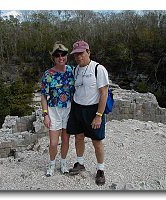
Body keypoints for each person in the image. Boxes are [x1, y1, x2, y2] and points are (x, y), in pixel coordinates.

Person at [67, 40, 109, 185]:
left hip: (93, 109)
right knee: (78, 137)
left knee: (96, 141)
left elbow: (104, 93)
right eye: (76, 54)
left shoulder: (98, 69)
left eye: (81, 53)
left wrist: (99, 115)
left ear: (88, 52)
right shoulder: (75, 70)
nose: (79, 57)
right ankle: (80, 163)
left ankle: (100, 170)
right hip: (78, 108)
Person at [41, 42, 74, 177]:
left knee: (66, 140)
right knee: (54, 143)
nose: (61, 57)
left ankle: (64, 162)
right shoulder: (48, 74)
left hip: (68, 109)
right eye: (57, 55)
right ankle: (52, 163)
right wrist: (45, 114)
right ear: (53, 58)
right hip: (54, 109)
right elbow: (43, 95)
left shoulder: (72, 70)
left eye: (63, 54)